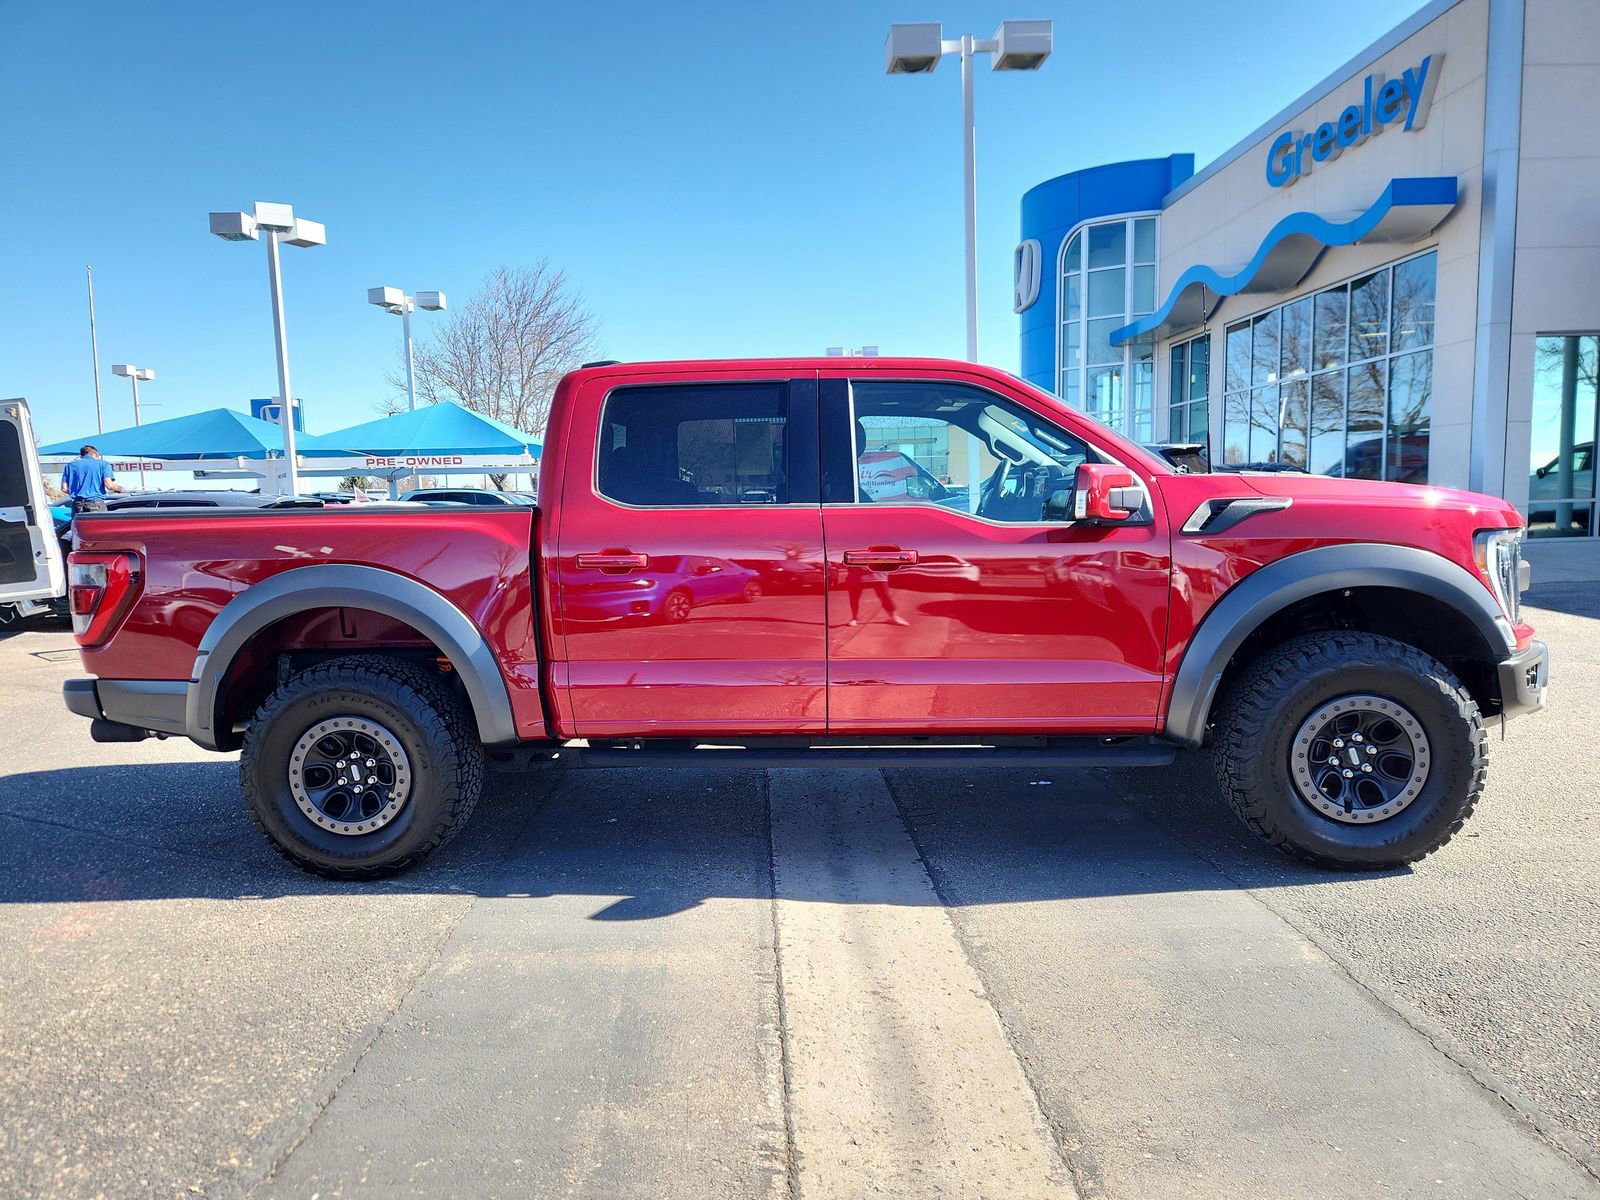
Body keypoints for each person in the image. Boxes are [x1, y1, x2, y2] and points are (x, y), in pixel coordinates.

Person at [60, 445, 124, 515]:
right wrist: (120, 489)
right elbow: (109, 485)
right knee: (98, 522)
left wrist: (78, 492)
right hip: (96, 503)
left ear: (81, 455)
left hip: (77, 505)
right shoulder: (103, 464)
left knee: (78, 522)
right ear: (96, 454)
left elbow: (64, 488)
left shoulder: (70, 465)